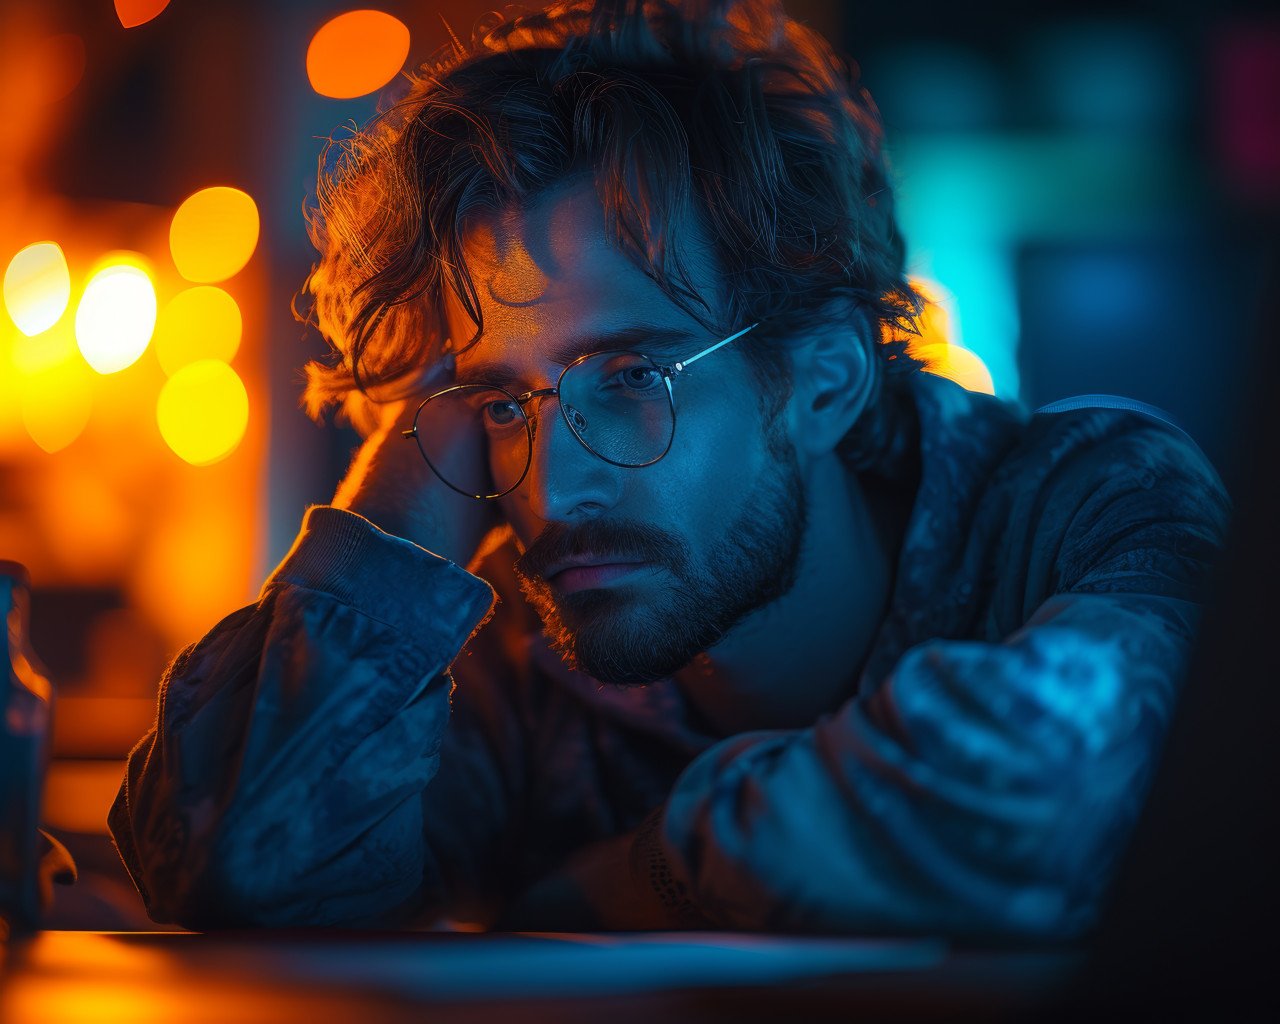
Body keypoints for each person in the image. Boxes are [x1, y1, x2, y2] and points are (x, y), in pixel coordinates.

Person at [108, 0, 1230, 936]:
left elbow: (1037, 782)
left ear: (824, 382)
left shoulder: (1087, 499)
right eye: (503, 402)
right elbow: (237, 871)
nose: (553, 491)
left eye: (631, 375)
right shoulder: (515, 657)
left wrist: (637, 871)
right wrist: (397, 502)